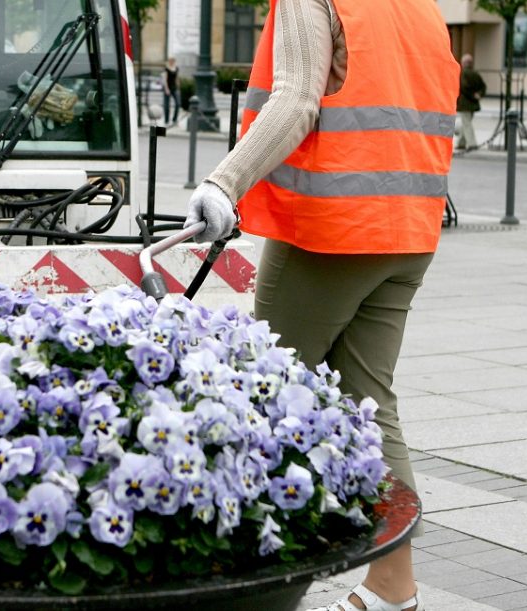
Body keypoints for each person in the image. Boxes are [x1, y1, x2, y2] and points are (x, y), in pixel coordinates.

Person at [184, 1, 459, 610]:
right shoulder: (418, 4)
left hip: (330, 230)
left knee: (260, 402)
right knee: (370, 403)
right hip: (409, 227)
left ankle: (246, 591)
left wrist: (224, 182)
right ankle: (392, 589)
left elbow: (295, 101)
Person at [456, 53, 486, 151]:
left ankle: (472, 143)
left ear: (463, 63)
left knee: (466, 123)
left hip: (465, 103)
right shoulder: (475, 74)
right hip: (473, 104)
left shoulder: (463, 73)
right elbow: (483, 86)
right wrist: (479, 95)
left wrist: (472, 96)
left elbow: (464, 88)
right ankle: (461, 142)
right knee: (466, 123)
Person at [161, 57, 180, 126]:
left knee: (178, 103)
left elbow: (177, 78)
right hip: (167, 88)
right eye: (171, 60)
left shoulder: (176, 68)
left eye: (173, 60)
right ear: (169, 61)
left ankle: (174, 119)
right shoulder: (166, 69)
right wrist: (166, 89)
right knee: (167, 105)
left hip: (174, 88)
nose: (172, 62)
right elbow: (164, 80)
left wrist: (178, 87)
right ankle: (166, 121)